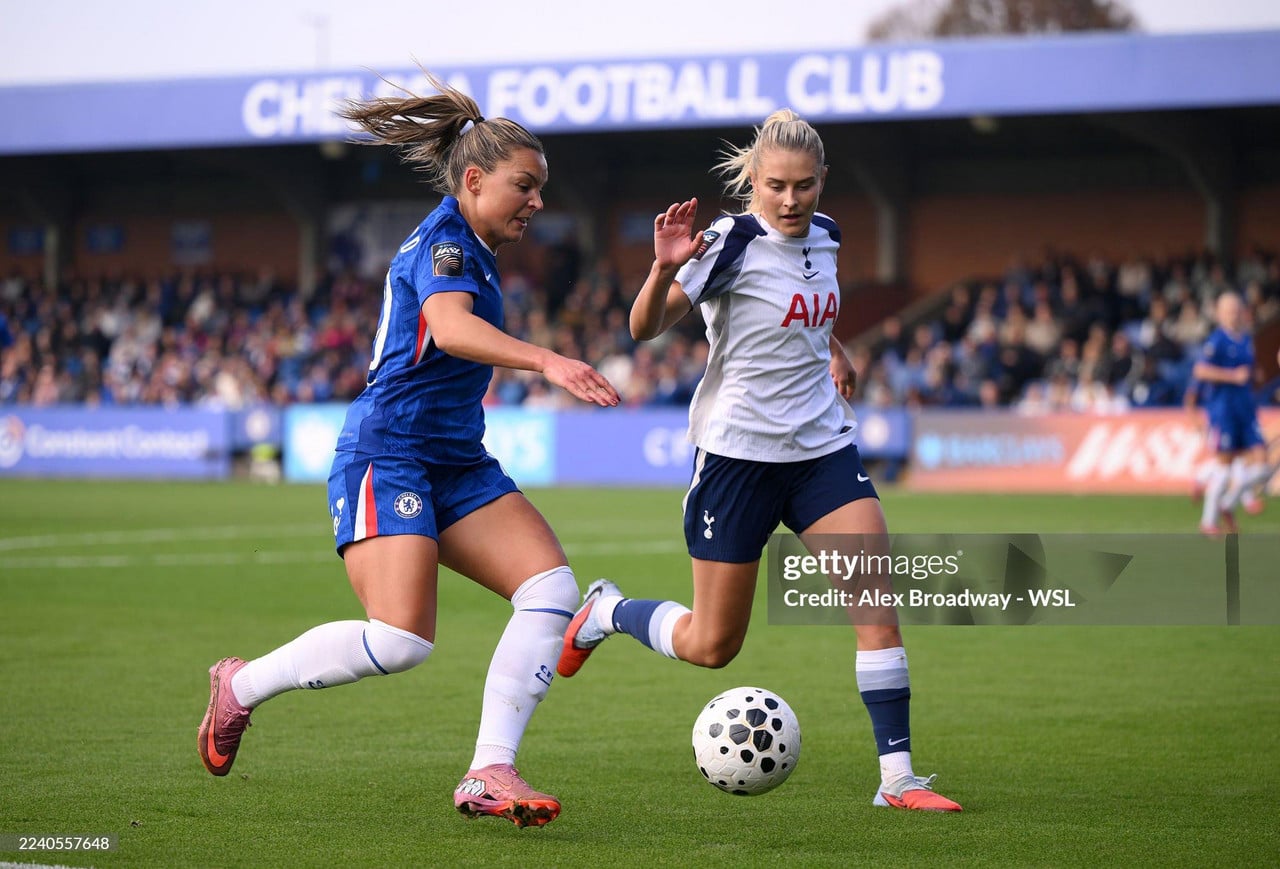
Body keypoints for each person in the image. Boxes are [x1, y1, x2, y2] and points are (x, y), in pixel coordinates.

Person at [197, 72, 620, 828]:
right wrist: (548, 360)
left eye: (541, 189)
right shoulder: (446, 242)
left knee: (551, 589)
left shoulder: (478, 247)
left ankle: (490, 770)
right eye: (525, 186)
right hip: (388, 451)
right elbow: (451, 330)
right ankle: (241, 686)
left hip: (456, 458)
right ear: (475, 180)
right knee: (399, 641)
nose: (537, 202)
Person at [557, 110, 961, 812]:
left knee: (877, 609)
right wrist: (662, 267)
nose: (791, 200)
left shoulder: (828, 235)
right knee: (712, 645)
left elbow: (805, 311)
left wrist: (834, 350)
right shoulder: (728, 242)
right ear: (753, 181)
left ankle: (897, 779)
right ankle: (608, 611)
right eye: (776, 186)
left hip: (821, 451)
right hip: (737, 460)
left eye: (805, 185)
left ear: (822, 180)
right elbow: (643, 327)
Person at [1193, 292, 1268, 535]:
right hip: (1224, 410)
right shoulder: (1216, 340)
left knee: (1262, 462)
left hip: (1246, 410)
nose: (1234, 314)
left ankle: (1227, 503)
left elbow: (1249, 371)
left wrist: (1255, 376)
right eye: (1229, 311)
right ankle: (1208, 521)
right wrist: (1232, 376)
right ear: (1220, 314)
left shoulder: (1246, 339)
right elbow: (1201, 371)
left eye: (1237, 310)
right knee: (1225, 467)